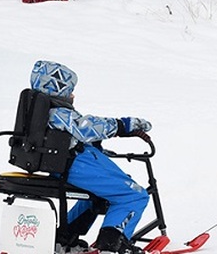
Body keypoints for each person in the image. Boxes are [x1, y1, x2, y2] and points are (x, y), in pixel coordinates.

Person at [29, 60, 153, 253]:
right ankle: (112, 244)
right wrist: (123, 125)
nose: (72, 94)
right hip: (76, 165)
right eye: (69, 89)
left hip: (62, 163)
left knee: (96, 196)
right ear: (57, 88)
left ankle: (65, 237)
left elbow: (68, 138)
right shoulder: (57, 111)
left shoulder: (39, 108)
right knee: (133, 195)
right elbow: (85, 128)